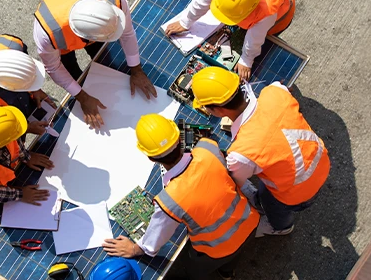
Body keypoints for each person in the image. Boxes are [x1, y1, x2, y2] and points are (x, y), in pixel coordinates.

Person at [102, 114, 260, 280]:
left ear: (150, 158)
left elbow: (154, 241)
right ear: (179, 138)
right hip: (249, 221)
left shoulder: (169, 200)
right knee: (235, 254)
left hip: (218, 247)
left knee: (197, 268)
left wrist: (135, 249)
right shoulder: (208, 148)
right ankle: (227, 272)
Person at [191, 67, 330, 236]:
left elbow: (235, 181)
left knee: (273, 205)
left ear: (218, 111)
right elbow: (283, 89)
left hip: (298, 195)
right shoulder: (274, 91)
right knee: (266, 187)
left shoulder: (241, 153)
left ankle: (281, 228)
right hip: (321, 163)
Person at [33, 0, 157, 129]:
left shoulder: (114, 1)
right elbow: (54, 67)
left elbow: (127, 34)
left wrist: (137, 70)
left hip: (87, 28)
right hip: (61, 39)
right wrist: (82, 97)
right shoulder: (48, 33)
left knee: (101, 55)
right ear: (86, 37)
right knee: (72, 70)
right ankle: (82, 84)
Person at [165, 0, 295, 81]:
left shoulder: (267, 10)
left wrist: (246, 60)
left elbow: (255, 39)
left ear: (250, 9)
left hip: (281, 15)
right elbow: (202, 1)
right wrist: (185, 22)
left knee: (265, 40)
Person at [0, 34, 57, 137]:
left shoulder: (12, 44)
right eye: (27, 86)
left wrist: (35, 89)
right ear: (13, 89)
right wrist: (26, 128)